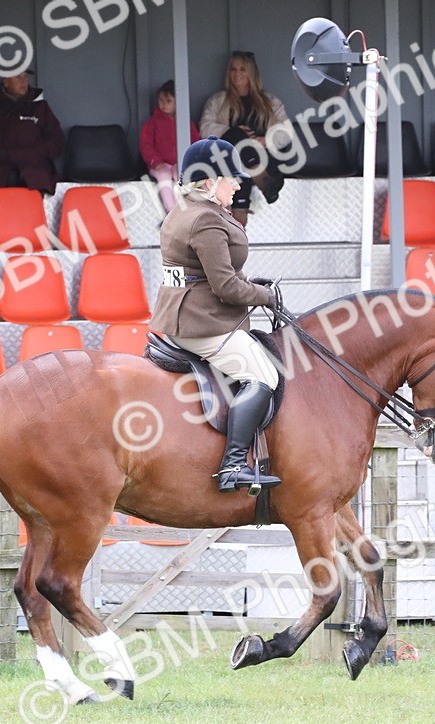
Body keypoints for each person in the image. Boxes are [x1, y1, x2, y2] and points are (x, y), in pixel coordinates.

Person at [151, 137, 282, 493]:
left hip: (185, 311)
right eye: (231, 178)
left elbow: (206, 273)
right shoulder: (205, 221)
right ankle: (233, 466)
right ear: (209, 182)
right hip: (200, 322)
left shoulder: (184, 210)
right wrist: (265, 296)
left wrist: (248, 284)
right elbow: (225, 288)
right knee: (264, 375)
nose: (238, 185)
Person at [199, 51, 292, 227]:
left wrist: (263, 141)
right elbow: (204, 127)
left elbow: (287, 132)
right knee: (236, 137)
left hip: (260, 157)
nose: (237, 73)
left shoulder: (269, 101)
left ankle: (239, 220)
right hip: (226, 160)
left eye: (243, 69)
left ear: (251, 72)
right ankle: (260, 177)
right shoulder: (219, 100)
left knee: (242, 165)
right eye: (233, 69)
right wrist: (231, 131)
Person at [0, 70, 66, 195]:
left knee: (33, 203)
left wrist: (32, 153)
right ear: (5, 82)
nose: (24, 81)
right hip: (1, 171)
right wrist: (2, 155)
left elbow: (57, 143)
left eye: (25, 77)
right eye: (18, 77)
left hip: (35, 170)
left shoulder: (40, 107)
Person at [140, 80, 200, 214]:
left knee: (182, 176)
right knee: (164, 177)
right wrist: (155, 161)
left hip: (178, 163)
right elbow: (146, 145)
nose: (163, 104)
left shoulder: (186, 122)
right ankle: (171, 211)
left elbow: (196, 143)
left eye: (168, 101)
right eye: (161, 100)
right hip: (159, 165)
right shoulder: (152, 123)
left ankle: (185, 211)